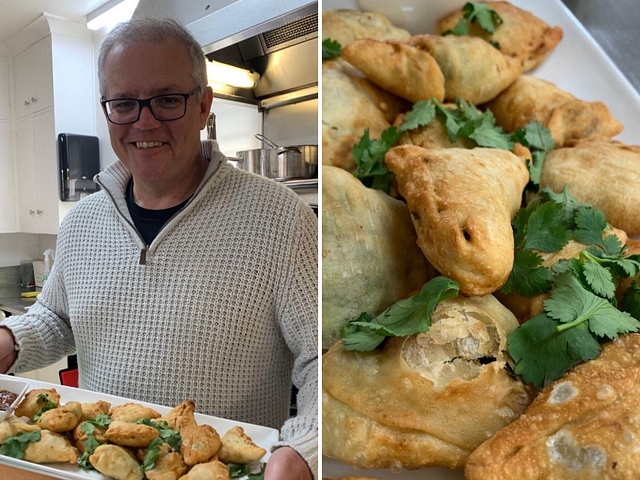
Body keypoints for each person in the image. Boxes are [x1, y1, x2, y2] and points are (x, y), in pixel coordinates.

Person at [0, 17, 317, 480]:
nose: (143, 122)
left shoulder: (281, 219)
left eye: (167, 100)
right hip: (99, 466)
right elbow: (59, 317)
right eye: (124, 103)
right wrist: (11, 341)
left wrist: (305, 446)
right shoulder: (82, 222)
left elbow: (323, 357)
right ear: (108, 109)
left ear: (204, 105)